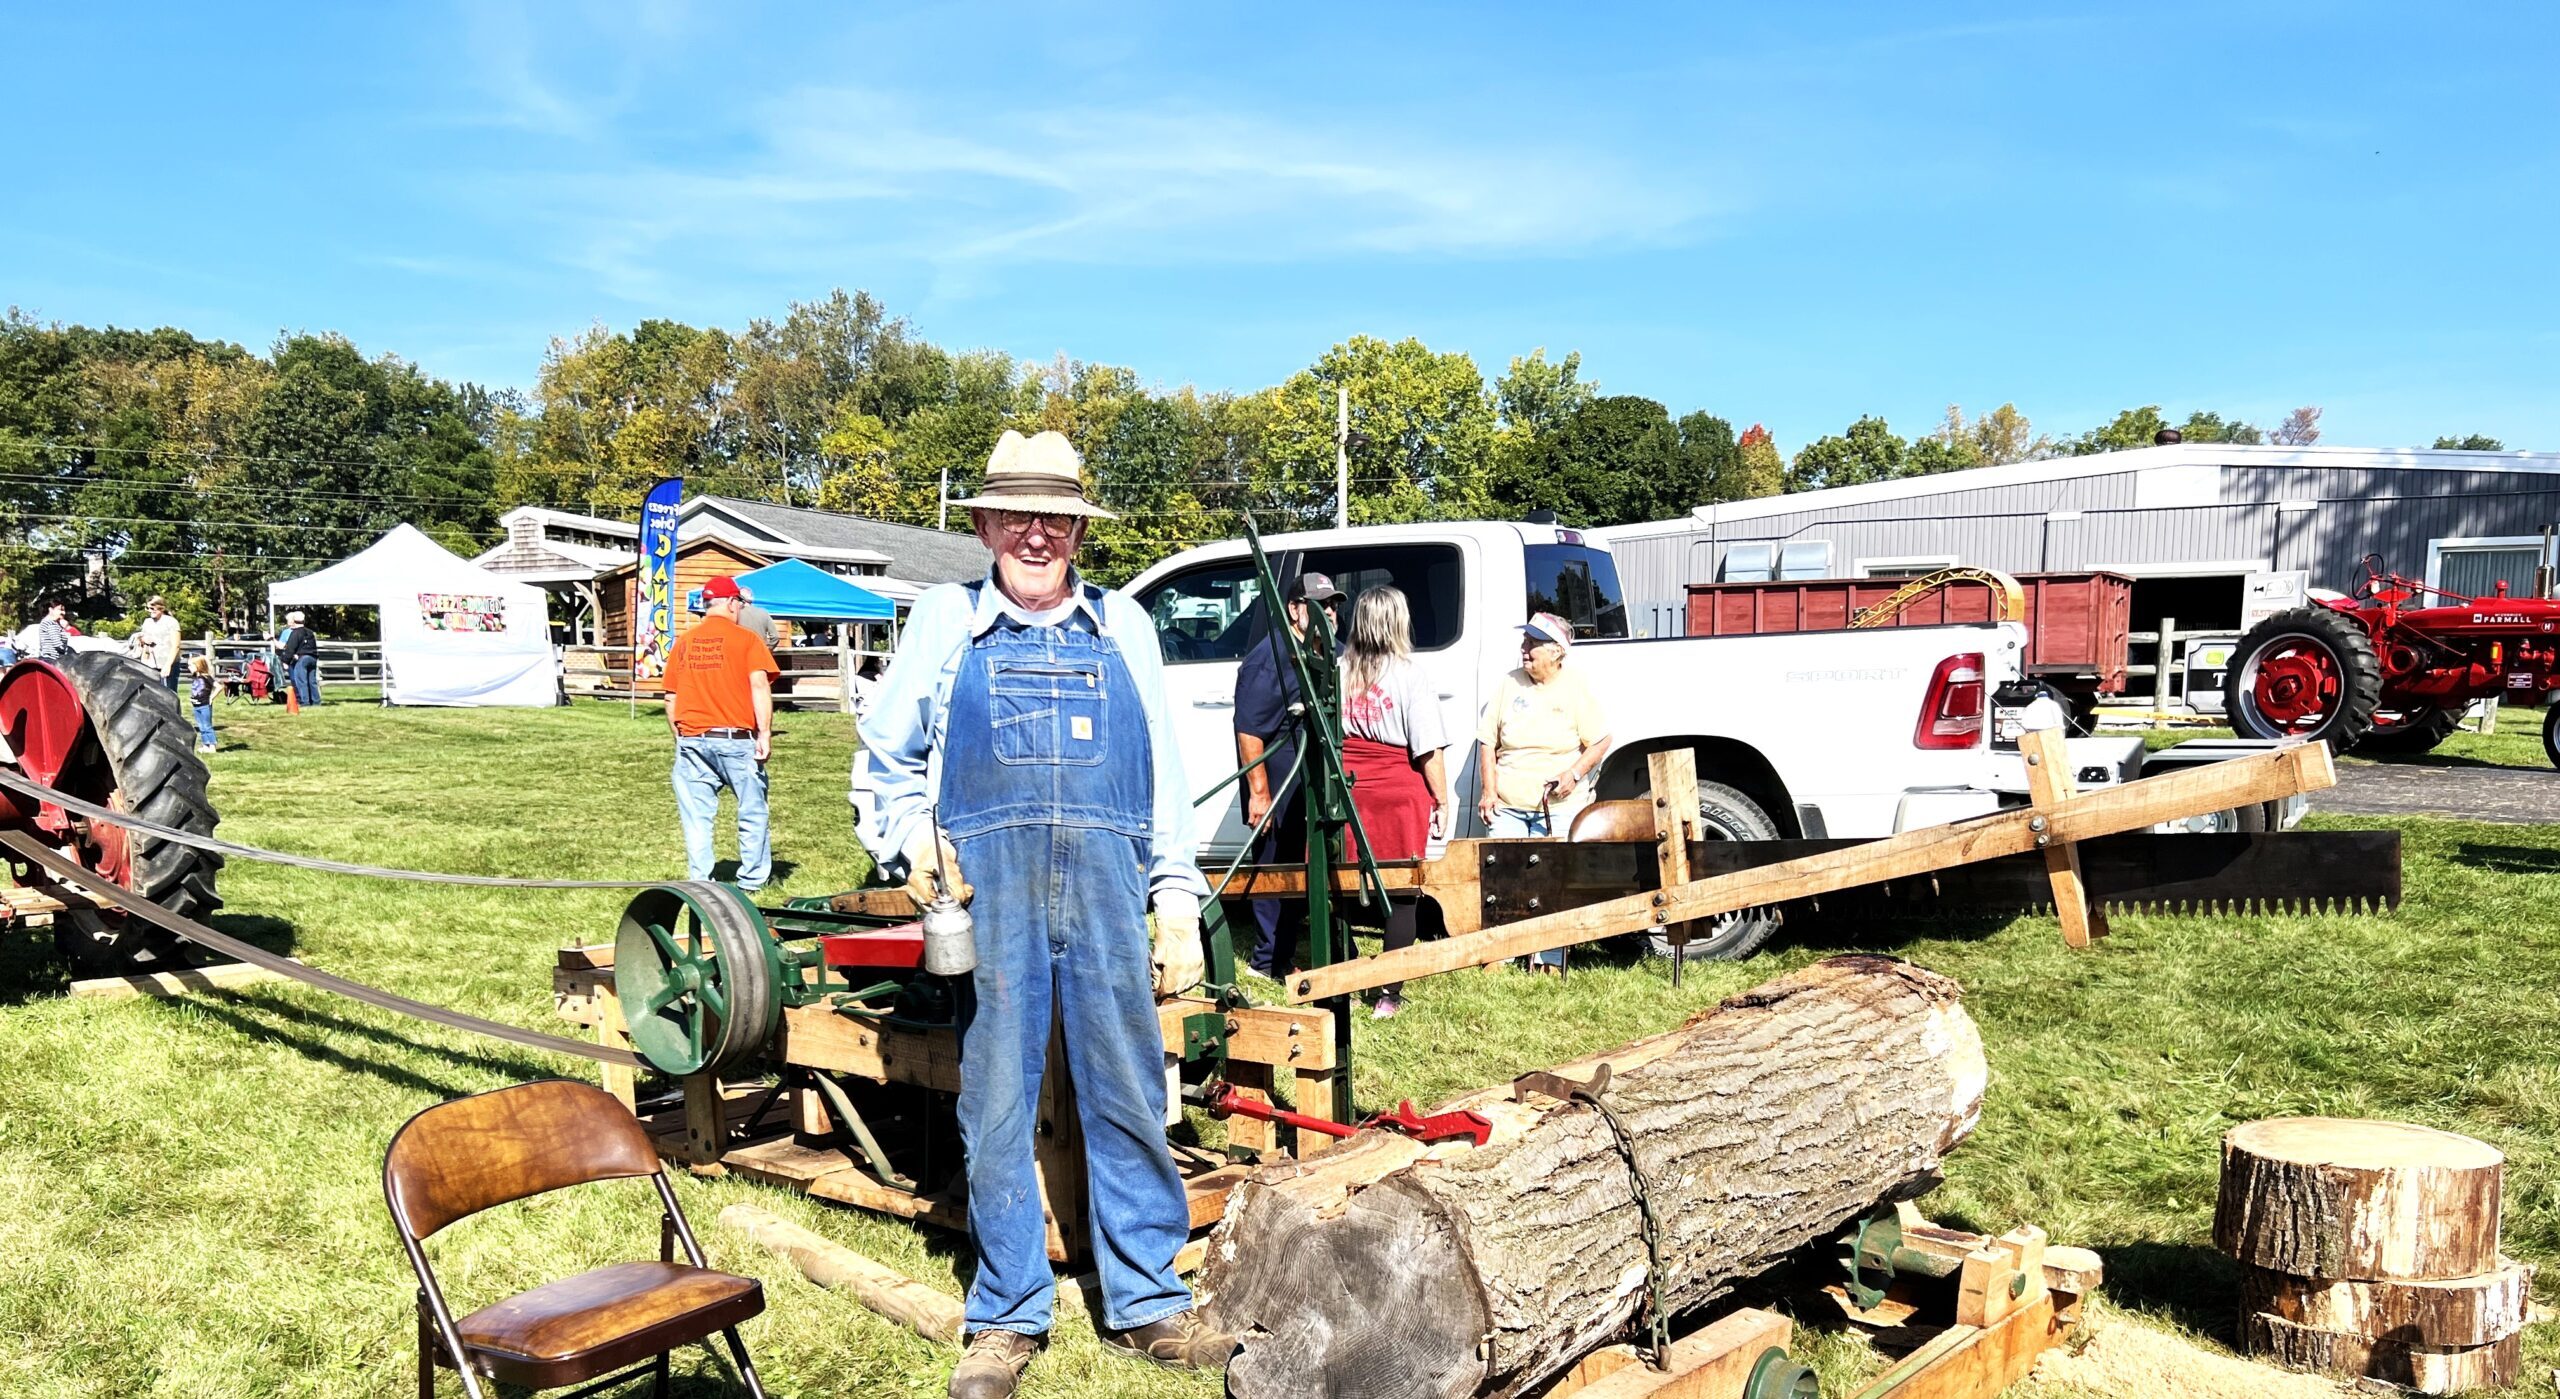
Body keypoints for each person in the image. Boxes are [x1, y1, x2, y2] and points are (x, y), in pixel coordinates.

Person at [852, 429, 1232, 1399]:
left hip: (1109, 890)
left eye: (1053, 517)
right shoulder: (948, 622)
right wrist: (910, 841)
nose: (1035, 533)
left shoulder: (1123, 628)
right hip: (993, 894)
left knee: (1130, 1092)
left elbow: (1166, 780)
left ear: (1077, 529)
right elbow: (884, 754)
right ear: (982, 524)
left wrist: (1176, 899)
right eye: (1015, 515)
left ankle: (1146, 1296)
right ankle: (1006, 1311)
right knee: (994, 1103)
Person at [1336, 585, 1453, 1018]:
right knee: (1401, 892)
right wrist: (1441, 799)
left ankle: (1345, 980)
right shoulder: (1409, 674)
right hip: (1396, 790)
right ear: (1398, 622)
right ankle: (1388, 994)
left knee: (1343, 887)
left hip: (1348, 787)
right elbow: (1427, 747)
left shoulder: (1338, 670)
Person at [1475, 612, 1614, 972]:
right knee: (1503, 877)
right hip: (1508, 803)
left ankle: (1549, 957)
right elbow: (1487, 743)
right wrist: (1489, 791)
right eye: (1525, 642)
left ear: (1557, 653)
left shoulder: (1575, 687)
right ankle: (1500, 953)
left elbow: (1600, 740)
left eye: (1533, 644)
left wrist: (1573, 773)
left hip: (1559, 804)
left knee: (1553, 880)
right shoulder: (1509, 684)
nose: (1524, 649)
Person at [1229, 571, 1343, 978]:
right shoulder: (1271, 657)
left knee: (1301, 867)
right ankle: (1268, 961)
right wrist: (1259, 794)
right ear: (1295, 609)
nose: (1330, 611)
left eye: (1333, 605)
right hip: (1278, 781)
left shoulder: (1324, 649)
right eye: (1321, 605)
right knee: (1277, 867)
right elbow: (1250, 729)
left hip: (1309, 784)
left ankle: (1287, 953)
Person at [663, 575, 779, 890]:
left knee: (696, 818)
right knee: (752, 811)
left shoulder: (684, 642)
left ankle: (701, 881)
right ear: (731, 602)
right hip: (736, 740)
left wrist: (681, 739)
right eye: (739, 603)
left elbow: (670, 697)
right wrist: (765, 733)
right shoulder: (747, 640)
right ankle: (752, 880)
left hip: (691, 740)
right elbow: (759, 686)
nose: (740, 609)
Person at [136, 595, 183, 691]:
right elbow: (141, 639)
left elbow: (176, 646)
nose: (150, 610)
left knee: (167, 693)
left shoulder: (171, 622)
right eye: (148, 608)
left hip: (167, 663)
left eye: (153, 608)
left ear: (161, 608)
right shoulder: (147, 622)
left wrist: (168, 665)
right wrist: (143, 639)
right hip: (150, 664)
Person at [276, 611, 320, 706]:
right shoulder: (310, 632)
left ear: (294, 621)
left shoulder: (295, 633)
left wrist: (285, 660)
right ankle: (316, 701)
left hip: (302, 658)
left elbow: (290, 649)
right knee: (312, 681)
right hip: (312, 657)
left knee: (301, 681)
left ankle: (305, 702)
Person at [187, 656, 217, 754]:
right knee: (201, 726)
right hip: (196, 706)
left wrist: (211, 697)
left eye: (191, 665)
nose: (189, 668)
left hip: (204, 705)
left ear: (198, 665)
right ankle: (205, 745)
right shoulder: (196, 677)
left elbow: (219, 686)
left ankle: (212, 746)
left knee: (207, 726)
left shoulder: (206, 677)